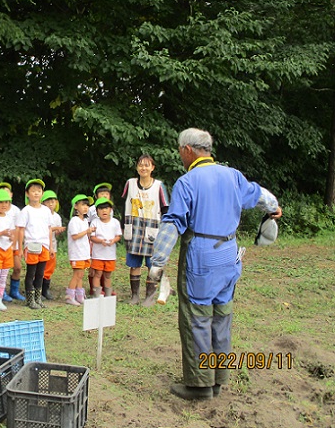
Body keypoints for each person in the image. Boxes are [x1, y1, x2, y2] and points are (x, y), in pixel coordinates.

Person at [149, 128, 282, 400]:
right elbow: (261, 196)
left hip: (201, 257)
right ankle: (218, 379)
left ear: (187, 150)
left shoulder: (188, 182)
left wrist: (157, 262)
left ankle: (199, 386)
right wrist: (273, 207)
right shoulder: (232, 175)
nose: (180, 156)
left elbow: (173, 222)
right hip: (229, 255)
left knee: (197, 319)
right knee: (222, 319)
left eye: (179, 151)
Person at [121, 154, 170, 306]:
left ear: (152, 168)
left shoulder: (159, 186)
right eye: (141, 165)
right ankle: (134, 295)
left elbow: (166, 209)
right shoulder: (130, 184)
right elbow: (123, 203)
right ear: (137, 167)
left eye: (147, 165)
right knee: (134, 264)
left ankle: (149, 297)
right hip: (133, 228)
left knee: (152, 265)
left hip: (152, 230)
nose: (143, 168)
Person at [16, 179, 54, 310]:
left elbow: (49, 228)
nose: (36, 193)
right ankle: (30, 299)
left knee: (40, 273)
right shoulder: (25, 211)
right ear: (27, 193)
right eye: (33, 191)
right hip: (31, 244)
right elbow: (20, 230)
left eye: (39, 191)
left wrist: (51, 246)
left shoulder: (46, 210)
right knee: (31, 272)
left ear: (42, 193)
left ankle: (38, 298)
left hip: (44, 245)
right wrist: (20, 248)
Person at [0, 182, 26, 302]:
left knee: (17, 267)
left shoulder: (16, 210)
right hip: (0, 246)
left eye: (6, 192)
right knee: (1, 270)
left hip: (14, 245)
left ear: (11, 195)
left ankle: (14, 291)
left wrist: (17, 245)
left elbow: (19, 228)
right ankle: (1, 292)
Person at [65, 194, 94, 306]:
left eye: (87, 205)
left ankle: (79, 295)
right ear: (76, 206)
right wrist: (87, 232)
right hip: (76, 253)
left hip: (84, 252)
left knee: (81, 274)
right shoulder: (74, 221)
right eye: (82, 205)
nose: (85, 207)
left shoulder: (84, 221)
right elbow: (75, 236)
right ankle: (70, 295)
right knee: (76, 274)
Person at [90, 197, 122, 297]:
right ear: (97, 211)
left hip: (110, 255)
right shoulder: (95, 222)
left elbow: (118, 236)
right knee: (98, 274)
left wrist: (113, 241)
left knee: (108, 275)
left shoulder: (115, 222)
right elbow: (92, 237)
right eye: (101, 208)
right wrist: (101, 241)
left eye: (106, 208)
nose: (104, 210)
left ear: (110, 210)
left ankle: (108, 294)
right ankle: (97, 294)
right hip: (98, 254)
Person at [87, 183, 114, 296]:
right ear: (96, 196)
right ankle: (93, 288)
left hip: (107, 241)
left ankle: (104, 287)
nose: (104, 196)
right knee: (94, 264)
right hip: (93, 239)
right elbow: (86, 222)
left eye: (106, 194)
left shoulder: (110, 209)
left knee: (105, 263)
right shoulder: (92, 209)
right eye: (101, 194)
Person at [41, 190, 65, 300]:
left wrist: (59, 231)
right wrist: (55, 228)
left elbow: (56, 233)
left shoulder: (57, 216)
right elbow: (46, 229)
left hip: (53, 245)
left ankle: (45, 289)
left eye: (53, 201)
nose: (51, 204)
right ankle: (37, 288)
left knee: (50, 267)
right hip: (42, 244)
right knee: (40, 266)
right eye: (48, 202)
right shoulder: (41, 214)